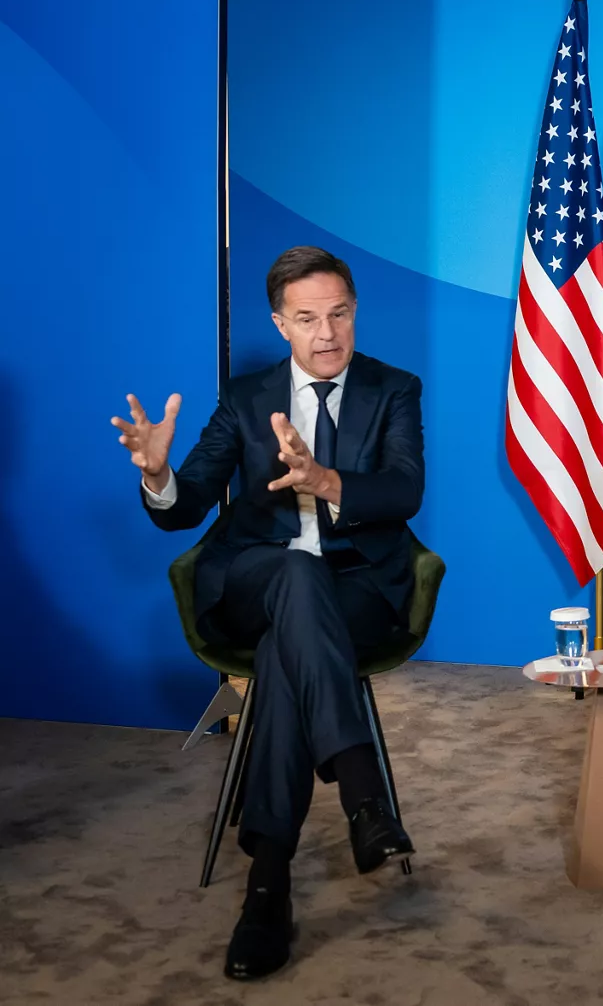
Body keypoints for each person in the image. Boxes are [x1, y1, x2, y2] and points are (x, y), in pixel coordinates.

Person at [111, 246, 424, 981]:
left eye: (340, 313)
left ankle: (267, 888)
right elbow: (185, 507)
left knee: (292, 650)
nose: (327, 333)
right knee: (291, 572)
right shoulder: (248, 398)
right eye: (308, 318)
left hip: (355, 591)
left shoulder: (393, 389)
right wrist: (159, 474)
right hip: (254, 577)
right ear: (280, 323)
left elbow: (406, 490)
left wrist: (327, 479)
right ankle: (362, 793)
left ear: (355, 312)